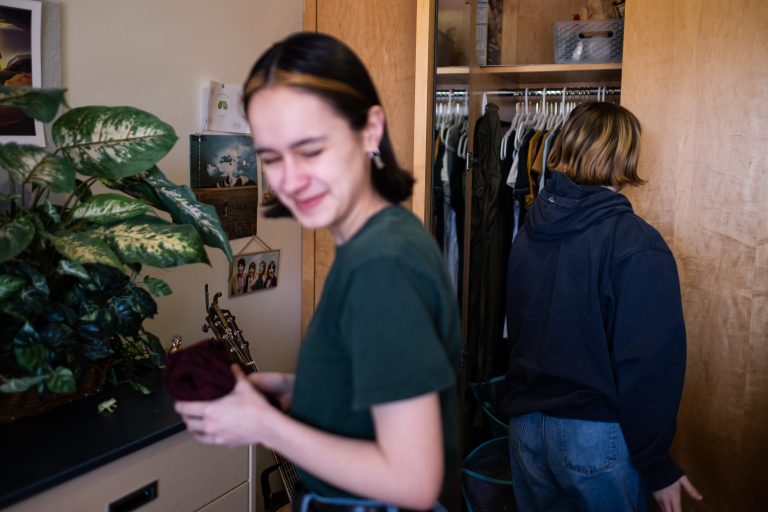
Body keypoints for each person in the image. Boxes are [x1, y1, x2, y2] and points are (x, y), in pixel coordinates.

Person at [174, 32, 462, 512]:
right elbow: (389, 381)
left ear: (370, 131)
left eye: (310, 149)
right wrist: (304, 388)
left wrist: (263, 426)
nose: (289, 179)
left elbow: (414, 480)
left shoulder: (380, 263)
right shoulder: (385, 235)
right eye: (270, 157)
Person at [500, 102, 703, 512]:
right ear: (625, 154)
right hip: (593, 438)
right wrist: (656, 461)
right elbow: (649, 363)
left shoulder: (527, 234)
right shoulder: (636, 244)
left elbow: (519, 331)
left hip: (525, 432)